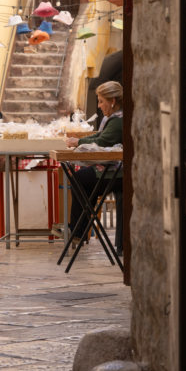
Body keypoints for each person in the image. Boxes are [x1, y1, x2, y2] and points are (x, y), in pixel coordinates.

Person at [64, 81, 123, 250]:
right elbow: (99, 136)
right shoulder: (111, 119)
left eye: (101, 101)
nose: (99, 105)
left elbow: (102, 141)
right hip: (113, 169)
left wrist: (78, 141)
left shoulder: (118, 121)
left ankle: (77, 230)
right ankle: (78, 230)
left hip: (118, 173)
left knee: (81, 179)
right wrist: (79, 141)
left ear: (112, 100)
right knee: (82, 178)